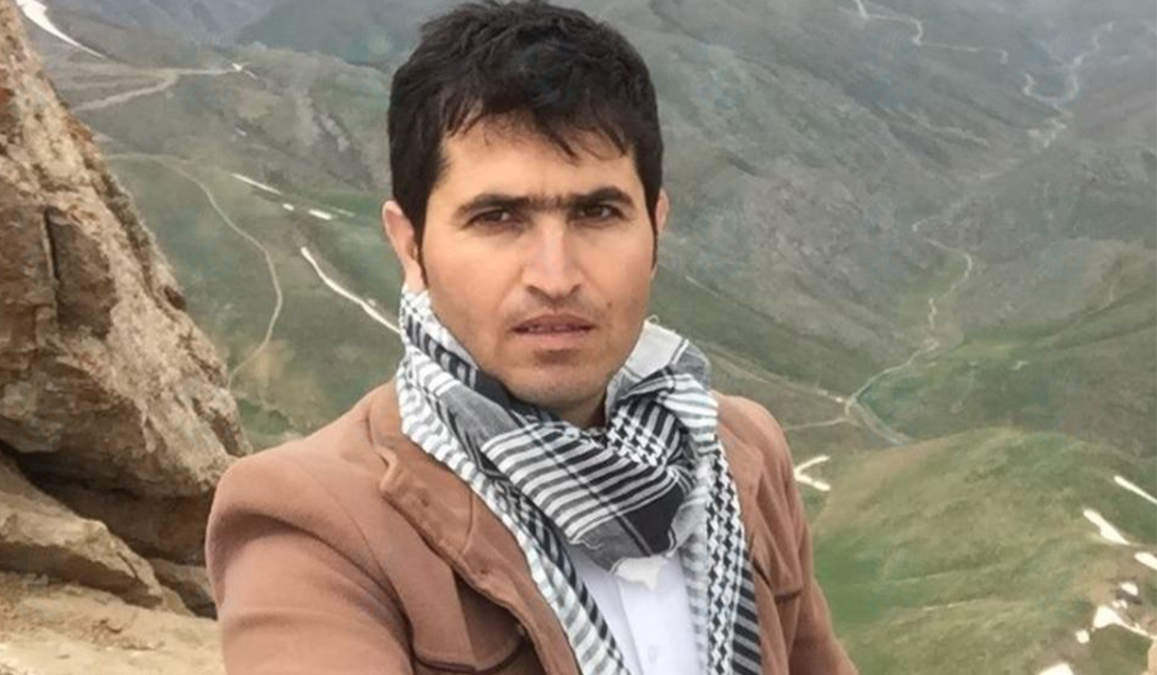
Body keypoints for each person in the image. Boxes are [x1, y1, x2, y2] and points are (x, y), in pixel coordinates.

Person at [204, 1, 859, 673]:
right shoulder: (315, 523)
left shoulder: (741, 452)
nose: (555, 275)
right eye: (497, 217)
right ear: (410, 246)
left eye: (597, 212)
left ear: (656, 230)